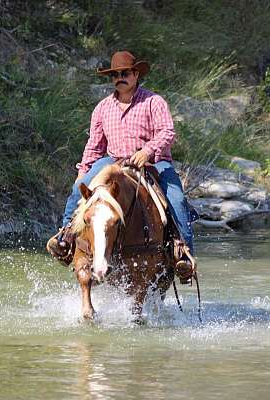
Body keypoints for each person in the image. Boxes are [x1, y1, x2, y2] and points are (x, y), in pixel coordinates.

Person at [46, 50, 198, 283]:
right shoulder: (102, 108)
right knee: (79, 187)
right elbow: (95, 145)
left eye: (125, 73)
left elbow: (167, 132)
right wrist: (83, 170)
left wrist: (147, 150)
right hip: (114, 161)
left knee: (176, 200)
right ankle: (66, 235)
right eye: (115, 74)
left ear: (136, 74)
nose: (120, 77)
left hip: (154, 162)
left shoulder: (153, 102)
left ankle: (183, 253)